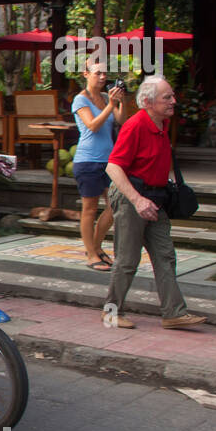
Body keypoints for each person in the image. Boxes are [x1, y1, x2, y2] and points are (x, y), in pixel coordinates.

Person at [103, 75, 205, 330]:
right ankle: (111, 312)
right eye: (167, 97)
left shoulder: (162, 125)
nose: (173, 101)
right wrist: (137, 200)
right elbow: (113, 167)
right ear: (148, 102)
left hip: (155, 198)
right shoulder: (135, 125)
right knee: (127, 259)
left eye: (172, 96)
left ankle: (174, 313)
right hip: (132, 197)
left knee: (165, 255)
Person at [72, 58, 129, 271]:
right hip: (87, 161)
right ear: (86, 74)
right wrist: (111, 105)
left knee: (115, 205)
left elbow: (122, 120)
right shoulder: (80, 100)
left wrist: (120, 102)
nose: (103, 77)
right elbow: (93, 126)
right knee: (90, 209)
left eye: (105, 73)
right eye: (98, 73)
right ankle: (91, 255)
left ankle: (95, 248)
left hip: (109, 161)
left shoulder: (106, 97)